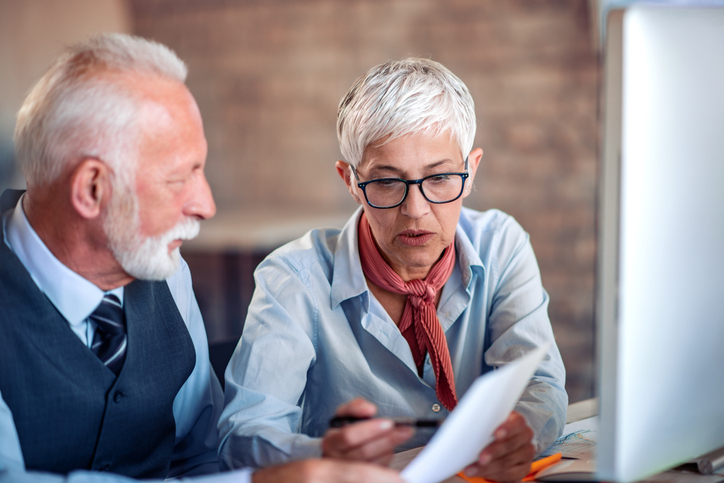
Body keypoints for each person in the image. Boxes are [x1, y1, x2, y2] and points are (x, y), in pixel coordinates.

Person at [0, 33, 403, 483]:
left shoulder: (165, 274)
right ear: (92, 189)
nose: (205, 206)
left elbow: (202, 457)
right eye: (180, 178)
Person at [218, 58, 568, 482]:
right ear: (350, 180)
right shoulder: (293, 278)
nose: (416, 211)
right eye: (386, 183)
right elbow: (243, 436)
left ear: (470, 170)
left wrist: (522, 431)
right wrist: (322, 455)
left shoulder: (501, 245)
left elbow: (542, 384)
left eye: (439, 178)